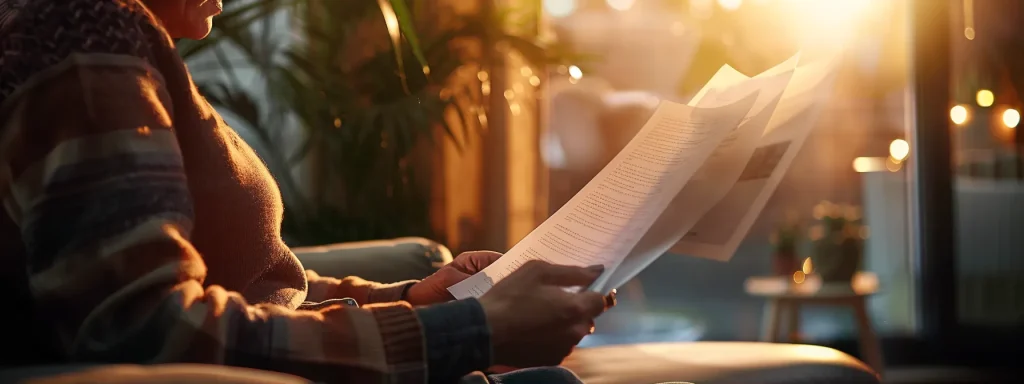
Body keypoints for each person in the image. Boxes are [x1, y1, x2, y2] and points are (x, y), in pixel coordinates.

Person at [0, 0, 615, 383]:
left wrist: (411, 298)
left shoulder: (120, 44)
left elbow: (231, 281)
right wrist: (469, 332)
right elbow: (145, 329)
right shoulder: (81, 37)